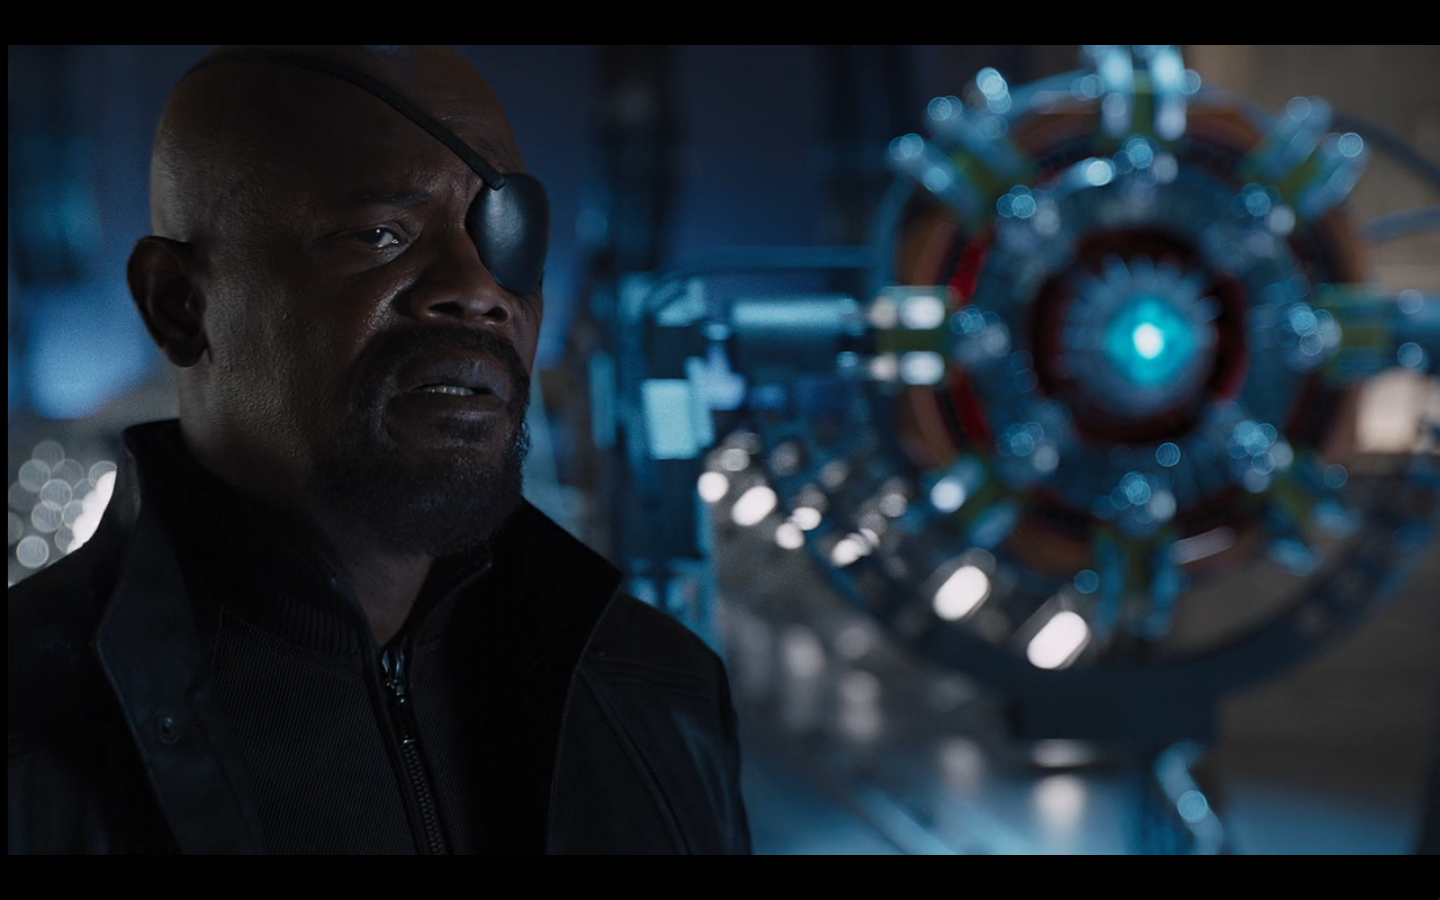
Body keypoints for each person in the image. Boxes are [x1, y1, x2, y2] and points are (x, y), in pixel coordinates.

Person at [8, 45, 751, 855]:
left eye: (507, 236)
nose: (479, 291)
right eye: (379, 235)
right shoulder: (36, 737)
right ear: (180, 304)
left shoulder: (659, 696)